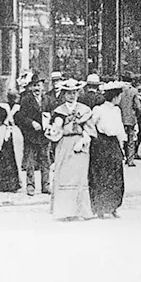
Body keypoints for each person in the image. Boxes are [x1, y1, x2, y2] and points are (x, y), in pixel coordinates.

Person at [47, 78, 94, 221]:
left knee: (80, 177)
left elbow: (90, 129)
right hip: (64, 144)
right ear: (64, 94)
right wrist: (56, 127)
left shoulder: (84, 110)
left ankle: (81, 211)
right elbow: (53, 132)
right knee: (64, 176)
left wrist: (84, 140)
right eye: (68, 93)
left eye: (74, 93)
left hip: (79, 145)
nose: (72, 96)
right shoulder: (59, 111)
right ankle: (64, 211)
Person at [88, 81, 127, 219]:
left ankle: (113, 206)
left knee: (115, 174)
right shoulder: (99, 109)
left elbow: (119, 128)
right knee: (101, 175)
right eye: (119, 96)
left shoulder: (117, 110)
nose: (120, 98)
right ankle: (100, 207)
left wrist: (122, 144)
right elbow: (90, 125)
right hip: (101, 144)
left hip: (113, 143)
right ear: (114, 96)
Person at [14, 73, 50, 196]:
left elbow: (52, 114)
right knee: (30, 161)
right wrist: (31, 123)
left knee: (45, 160)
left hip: (44, 135)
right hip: (31, 136)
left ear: (43, 87)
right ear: (30, 87)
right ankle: (30, 185)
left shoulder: (47, 100)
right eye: (34, 86)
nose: (37, 89)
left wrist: (49, 125)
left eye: (39, 85)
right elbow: (20, 117)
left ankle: (46, 185)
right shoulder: (26, 100)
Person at [0, 90, 23, 193]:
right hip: (14, 133)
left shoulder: (2, 108)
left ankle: (1, 184)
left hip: (4, 133)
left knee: (4, 159)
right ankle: (13, 184)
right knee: (14, 158)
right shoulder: (18, 108)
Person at [118, 75, 141, 167]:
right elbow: (138, 106)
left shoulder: (119, 90)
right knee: (130, 140)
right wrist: (136, 115)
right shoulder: (133, 91)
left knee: (120, 139)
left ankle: (122, 157)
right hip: (130, 119)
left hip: (119, 118)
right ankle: (130, 160)